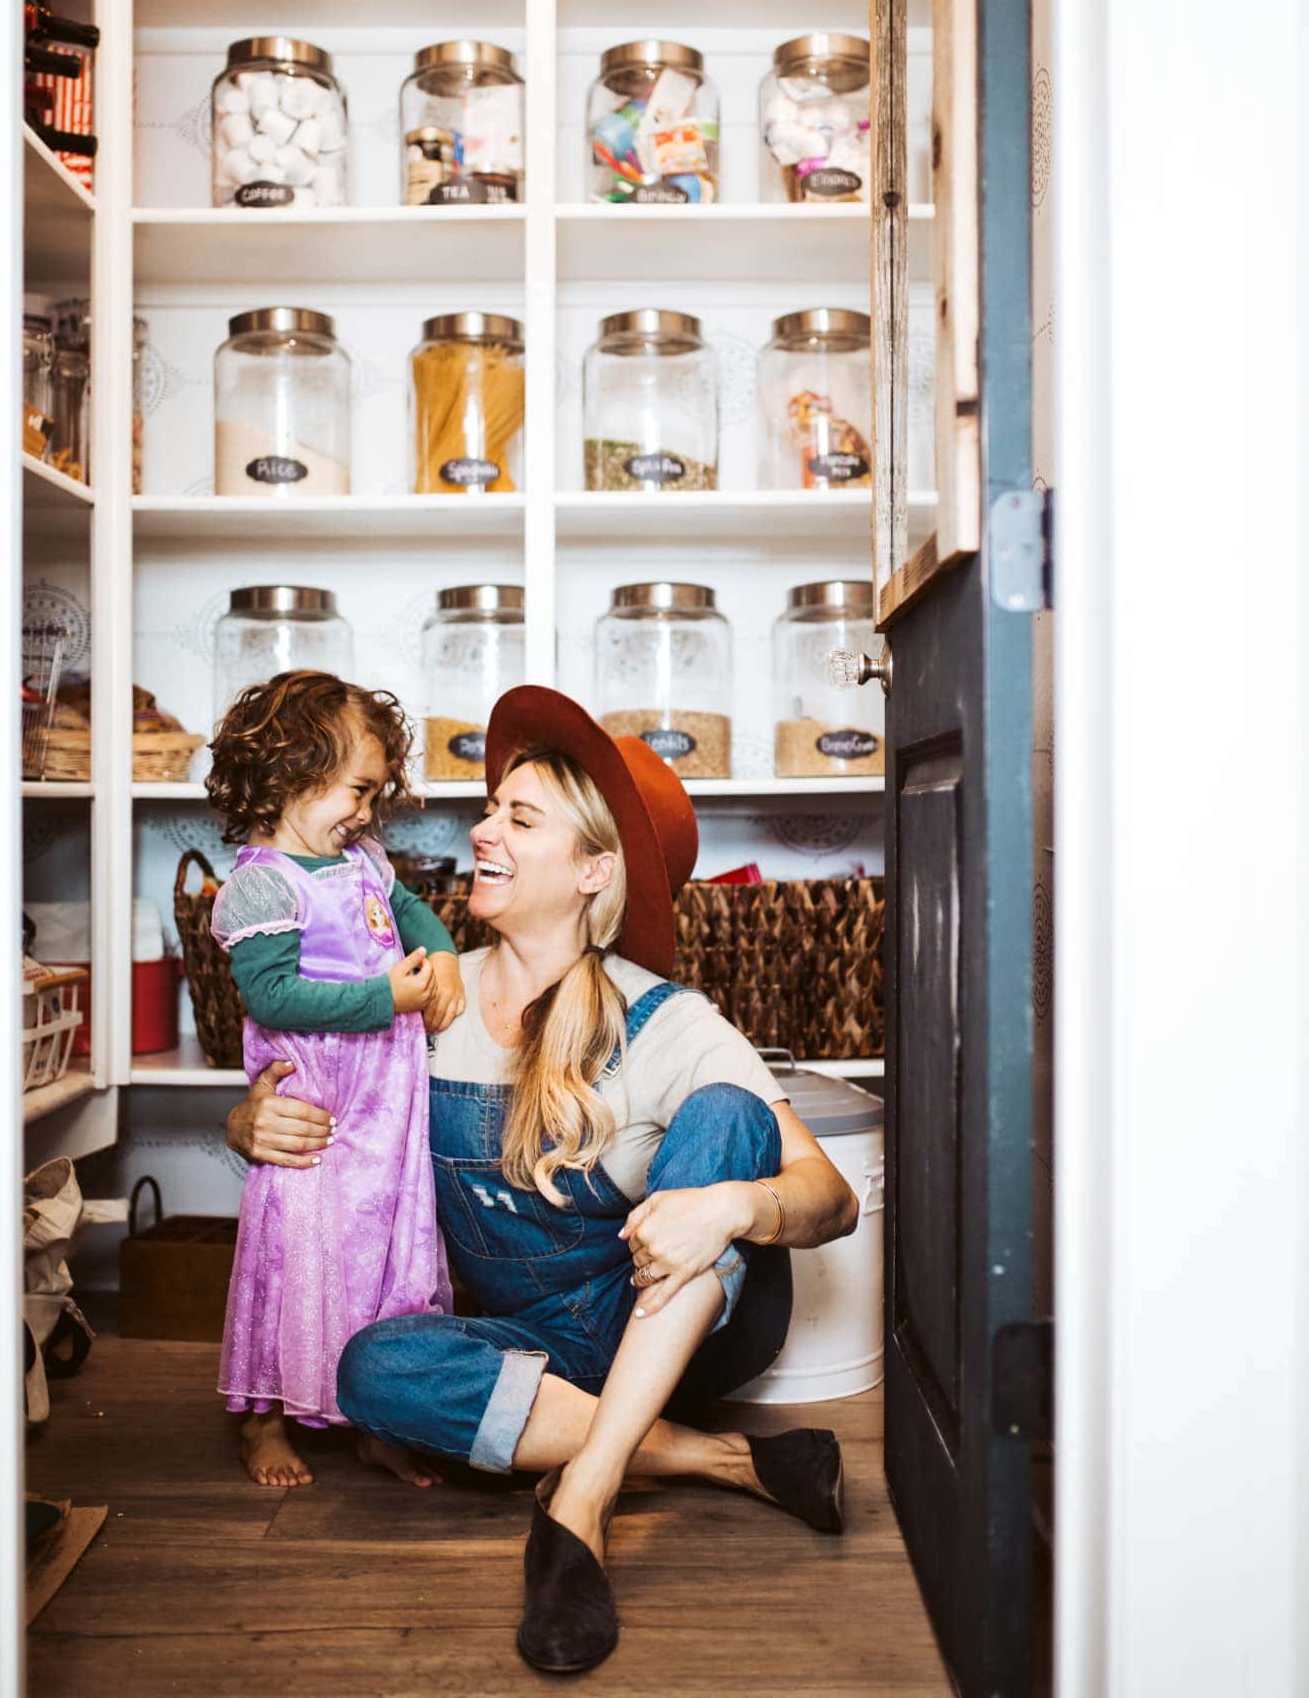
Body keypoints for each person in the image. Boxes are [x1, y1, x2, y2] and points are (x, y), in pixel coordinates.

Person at [226, 685, 859, 1673]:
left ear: (592, 868)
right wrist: (247, 1121)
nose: (481, 829)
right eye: (490, 809)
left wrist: (740, 1202)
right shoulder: (429, 991)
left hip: (674, 1322)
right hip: (535, 1342)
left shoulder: (664, 1017)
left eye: (519, 817)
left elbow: (832, 1196)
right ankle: (723, 1456)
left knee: (729, 1115)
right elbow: (313, 1080)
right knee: (371, 1369)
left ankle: (581, 1502)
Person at [207, 669, 465, 1491]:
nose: (365, 810)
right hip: (315, 1104)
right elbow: (271, 995)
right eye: (357, 789)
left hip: (385, 1104)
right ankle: (264, 1417)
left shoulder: (361, 859)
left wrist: (445, 953)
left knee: (380, 1257)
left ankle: (374, 1415)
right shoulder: (260, 884)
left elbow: (411, 911)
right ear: (291, 768)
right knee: (291, 1256)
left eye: (374, 793)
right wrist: (383, 995)